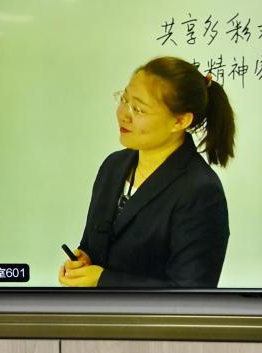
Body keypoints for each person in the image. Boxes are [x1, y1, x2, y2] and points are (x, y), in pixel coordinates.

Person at [60, 56, 235, 288]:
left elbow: (190, 294)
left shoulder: (200, 191)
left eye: (139, 109)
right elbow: (95, 245)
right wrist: (83, 260)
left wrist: (103, 280)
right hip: (95, 311)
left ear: (180, 121)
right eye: (124, 99)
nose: (124, 114)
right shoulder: (113, 166)